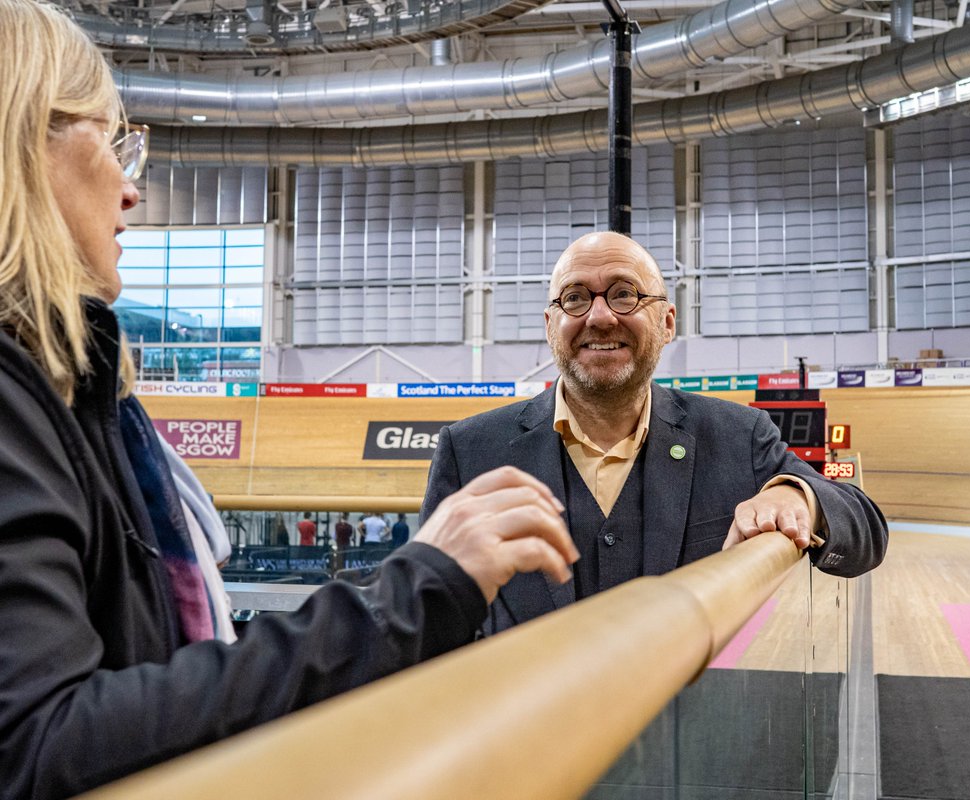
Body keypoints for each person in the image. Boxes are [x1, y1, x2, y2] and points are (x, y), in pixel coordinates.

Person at [0, 3, 578, 796]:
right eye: (113, 141)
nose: (133, 191)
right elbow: (40, 747)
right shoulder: (18, 400)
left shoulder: (77, 393)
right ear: (26, 143)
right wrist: (409, 593)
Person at [421, 231, 887, 634]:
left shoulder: (738, 435)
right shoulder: (470, 450)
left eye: (624, 294)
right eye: (575, 298)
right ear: (550, 326)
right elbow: (430, 618)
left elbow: (866, 530)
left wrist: (797, 495)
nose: (599, 317)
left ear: (666, 323)